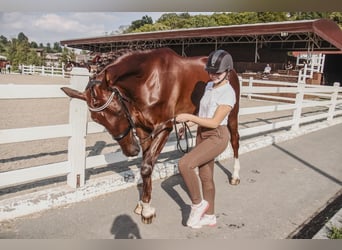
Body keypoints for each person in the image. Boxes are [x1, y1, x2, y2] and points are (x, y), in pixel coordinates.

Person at [175, 49, 236, 229]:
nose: (213, 75)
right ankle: (210, 216)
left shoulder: (228, 93)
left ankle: (197, 204)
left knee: (185, 164)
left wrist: (188, 117)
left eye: (218, 72)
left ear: (228, 71)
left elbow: (215, 121)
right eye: (210, 72)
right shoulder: (209, 86)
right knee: (205, 176)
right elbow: (205, 114)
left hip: (217, 135)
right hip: (202, 133)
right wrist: (190, 126)